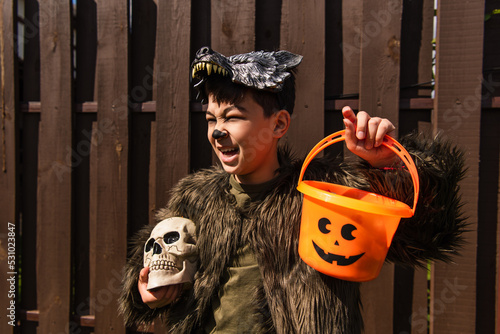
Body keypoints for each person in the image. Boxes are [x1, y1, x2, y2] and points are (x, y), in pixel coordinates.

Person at [119, 47, 465, 333]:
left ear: (279, 124)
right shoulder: (195, 197)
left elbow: (427, 234)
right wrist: (148, 291)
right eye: (211, 119)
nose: (217, 132)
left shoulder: (329, 194)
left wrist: (389, 166)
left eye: (233, 117)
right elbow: (148, 267)